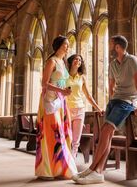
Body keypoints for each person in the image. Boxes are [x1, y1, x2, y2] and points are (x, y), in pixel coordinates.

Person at [73, 35, 137, 185]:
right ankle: (97, 172)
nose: (109, 47)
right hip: (114, 102)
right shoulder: (112, 64)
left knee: (106, 131)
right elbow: (111, 86)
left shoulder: (132, 60)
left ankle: (92, 169)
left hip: (126, 102)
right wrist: (111, 101)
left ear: (117, 47)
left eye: (111, 44)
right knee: (107, 135)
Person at [35, 36, 77, 180]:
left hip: (61, 102)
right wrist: (62, 91)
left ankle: (61, 169)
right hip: (50, 101)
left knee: (63, 134)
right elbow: (44, 83)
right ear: (58, 46)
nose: (68, 47)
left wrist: (66, 91)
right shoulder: (51, 61)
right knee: (53, 133)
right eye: (65, 44)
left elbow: (60, 81)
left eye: (68, 45)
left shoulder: (62, 62)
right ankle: (47, 170)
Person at [66, 54, 103, 159]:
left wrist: (98, 108)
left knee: (75, 140)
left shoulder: (82, 77)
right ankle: (64, 162)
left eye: (80, 60)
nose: (78, 61)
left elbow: (88, 95)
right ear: (71, 61)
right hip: (67, 109)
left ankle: (71, 164)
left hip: (79, 109)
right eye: (75, 59)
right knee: (66, 137)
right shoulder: (64, 76)